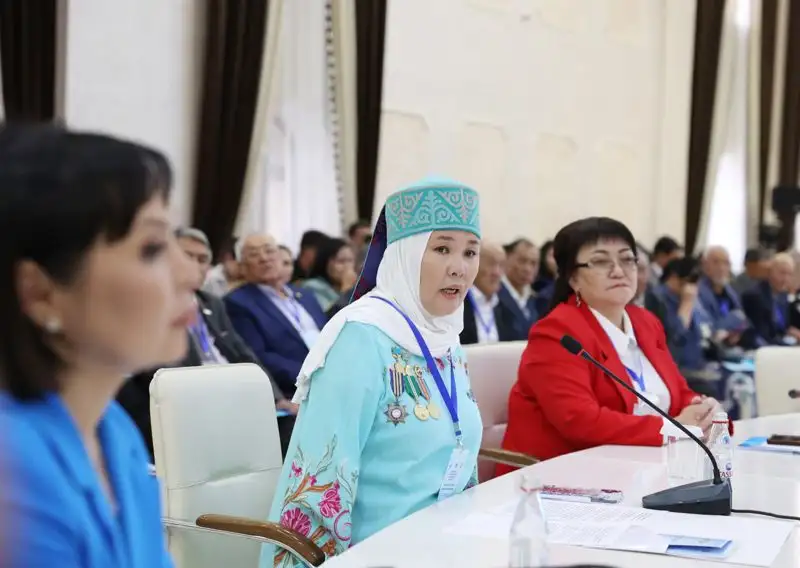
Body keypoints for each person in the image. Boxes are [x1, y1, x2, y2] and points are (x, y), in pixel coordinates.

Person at [262, 179, 483, 567]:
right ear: (404, 255)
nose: (459, 268)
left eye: (470, 252)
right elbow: (321, 481)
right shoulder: (361, 338)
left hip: (448, 548)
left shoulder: (446, 338)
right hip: (377, 554)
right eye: (442, 249)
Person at [0, 125, 193, 566]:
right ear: (40, 293)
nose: (189, 273)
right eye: (152, 248)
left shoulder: (111, 430)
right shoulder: (14, 474)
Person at [499, 217, 718, 471]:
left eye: (627, 259)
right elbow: (580, 421)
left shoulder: (646, 323)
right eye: (601, 261)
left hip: (642, 470)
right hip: (558, 479)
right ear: (573, 278)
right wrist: (673, 428)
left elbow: (678, 392)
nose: (618, 270)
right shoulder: (557, 333)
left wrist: (702, 409)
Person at [117, 227, 297, 459]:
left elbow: (243, 353)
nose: (195, 265)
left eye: (202, 259)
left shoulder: (211, 303)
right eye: (187, 256)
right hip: (193, 404)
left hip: (234, 397)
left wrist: (276, 397)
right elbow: (158, 371)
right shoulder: (150, 303)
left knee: (293, 426)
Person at [225, 234, 327, 397]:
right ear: (242, 267)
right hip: (296, 388)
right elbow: (258, 356)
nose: (264, 258)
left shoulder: (305, 295)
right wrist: (314, 375)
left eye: (269, 251)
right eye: (253, 254)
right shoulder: (238, 303)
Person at [461, 242, 523, 344]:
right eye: (491, 264)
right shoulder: (458, 301)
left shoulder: (506, 305)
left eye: (501, 265)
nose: (497, 272)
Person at [741, 252, 800, 345]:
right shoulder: (756, 296)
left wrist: (790, 332)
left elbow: (782, 327)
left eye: (789, 274)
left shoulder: (783, 295)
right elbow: (764, 335)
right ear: (770, 272)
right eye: (782, 273)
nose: (785, 279)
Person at [302, 238, 358, 312]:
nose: (347, 267)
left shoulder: (357, 286)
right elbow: (330, 316)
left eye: (350, 260)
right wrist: (346, 289)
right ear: (325, 263)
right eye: (341, 261)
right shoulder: (312, 287)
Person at [499, 238, 540, 334]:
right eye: (522, 261)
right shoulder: (495, 296)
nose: (527, 269)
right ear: (507, 258)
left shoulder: (535, 299)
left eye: (533, 263)